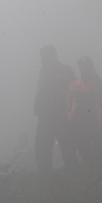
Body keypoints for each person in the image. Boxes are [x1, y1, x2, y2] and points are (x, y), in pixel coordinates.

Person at [34, 45, 77, 173]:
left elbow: (43, 93)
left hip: (48, 115)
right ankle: (74, 174)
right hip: (64, 115)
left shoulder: (46, 71)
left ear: (49, 56)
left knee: (43, 147)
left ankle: (46, 177)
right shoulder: (68, 70)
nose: (41, 59)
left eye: (43, 56)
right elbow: (74, 93)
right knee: (67, 146)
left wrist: (38, 109)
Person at [67, 56, 102, 165]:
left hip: (96, 119)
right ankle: (89, 169)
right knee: (83, 148)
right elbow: (69, 103)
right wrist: (70, 119)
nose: (84, 68)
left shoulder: (100, 81)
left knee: (99, 147)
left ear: (91, 66)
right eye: (82, 66)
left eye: (86, 66)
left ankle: (100, 170)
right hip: (80, 121)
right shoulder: (74, 84)